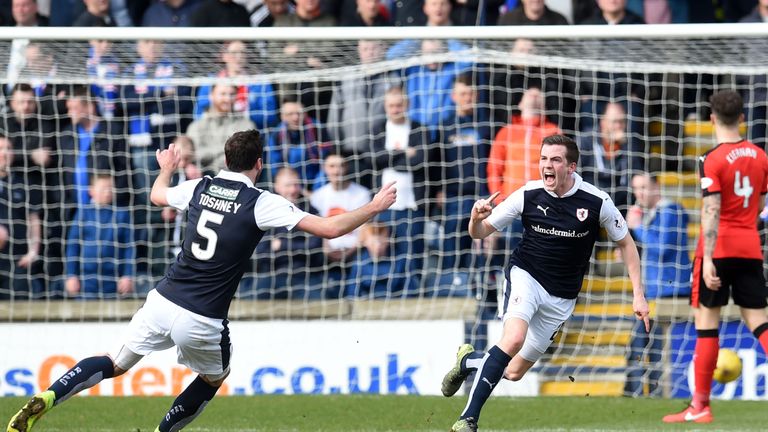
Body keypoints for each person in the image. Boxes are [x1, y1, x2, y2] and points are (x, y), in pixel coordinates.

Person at [6, 129, 397, 432]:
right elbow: (329, 229)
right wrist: (375, 205)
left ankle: (49, 394)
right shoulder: (262, 202)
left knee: (115, 361)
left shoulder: (201, 186)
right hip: (203, 318)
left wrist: (166, 169)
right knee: (215, 375)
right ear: (258, 165)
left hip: (161, 300)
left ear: (225, 159)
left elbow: (158, 196)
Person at [440, 134, 650, 432]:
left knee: (512, 372)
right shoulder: (528, 194)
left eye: (555, 160)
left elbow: (627, 245)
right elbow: (480, 232)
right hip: (525, 275)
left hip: (561, 297)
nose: (546, 166)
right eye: (543, 159)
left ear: (571, 167)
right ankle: (468, 419)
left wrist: (638, 295)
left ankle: (468, 362)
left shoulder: (596, 201)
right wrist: (475, 219)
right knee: (512, 339)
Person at [663, 90, 768, 423]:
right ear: (742, 118)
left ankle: (701, 406)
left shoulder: (711, 158)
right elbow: (762, 204)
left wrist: (708, 258)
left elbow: (711, 208)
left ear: (711, 119)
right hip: (750, 247)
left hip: (719, 249)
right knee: (761, 324)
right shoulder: (760, 155)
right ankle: (700, 407)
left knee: (707, 327)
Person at [623, 172, 691, 397]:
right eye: (636, 188)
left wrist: (638, 227)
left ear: (656, 187)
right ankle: (644, 394)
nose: (639, 193)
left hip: (669, 294)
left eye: (643, 187)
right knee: (643, 349)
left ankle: (641, 393)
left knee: (647, 349)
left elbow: (662, 249)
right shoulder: (654, 214)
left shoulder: (671, 210)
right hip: (653, 292)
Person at [64, 173, 135, 299]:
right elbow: (73, 246)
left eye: (110, 188)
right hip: (85, 279)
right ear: (91, 191)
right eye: (103, 188)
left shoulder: (122, 215)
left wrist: (127, 276)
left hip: (113, 279)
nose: (107, 192)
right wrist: (71, 275)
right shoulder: (83, 213)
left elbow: (129, 248)